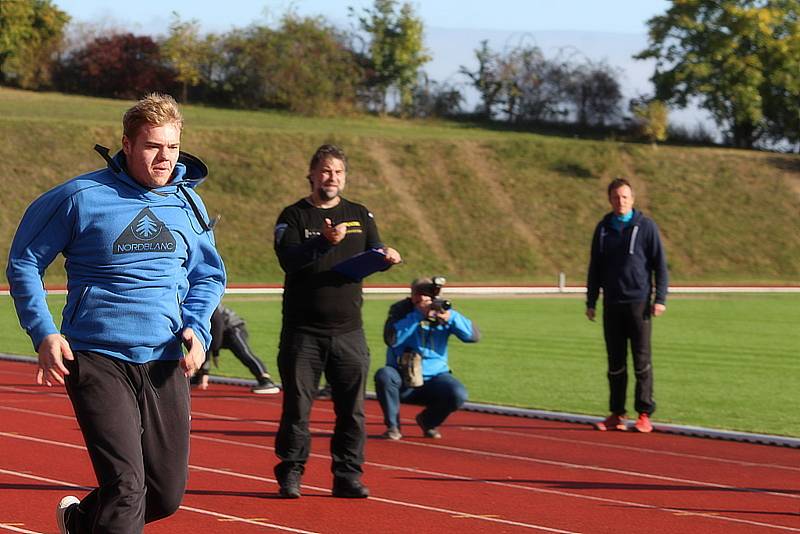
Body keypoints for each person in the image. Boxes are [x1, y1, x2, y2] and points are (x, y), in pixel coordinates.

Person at [5, 93, 226, 533]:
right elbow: (25, 261)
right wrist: (44, 332)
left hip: (164, 360)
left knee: (163, 494)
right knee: (127, 488)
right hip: (96, 357)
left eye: (172, 147)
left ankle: (80, 521)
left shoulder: (188, 205)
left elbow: (208, 275)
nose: (164, 158)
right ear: (126, 144)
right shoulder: (79, 197)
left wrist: (197, 329)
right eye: (152, 146)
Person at [272, 144, 402, 499]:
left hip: (349, 331)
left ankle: (347, 475)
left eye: (339, 172)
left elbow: (374, 250)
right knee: (298, 408)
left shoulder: (360, 213)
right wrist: (324, 244)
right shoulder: (295, 216)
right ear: (312, 174)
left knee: (353, 411)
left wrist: (386, 257)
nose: (332, 178)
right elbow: (289, 260)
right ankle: (291, 473)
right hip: (303, 333)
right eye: (326, 171)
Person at [586, 177, 668, 434]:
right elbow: (595, 268)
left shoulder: (645, 227)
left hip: (639, 303)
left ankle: (644, 413)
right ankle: (616, 413)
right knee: (615, 362)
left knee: (642, 361)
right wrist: (591, 301)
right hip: (612, 303)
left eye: (624, 197)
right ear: (609, 199)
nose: (620, 201)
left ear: (632, 199)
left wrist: (660, 299)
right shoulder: (603, 229)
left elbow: (660, 265)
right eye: (615, 197)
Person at [375, 277, 479, 441]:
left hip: (434, 379)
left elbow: (473, 336)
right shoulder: (401, 310)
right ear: (415, 296)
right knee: (384, 375)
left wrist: (450, 318)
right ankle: (393, 427)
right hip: (403, 378)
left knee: (457, 392)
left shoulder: (443, 310)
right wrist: (418, 315)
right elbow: (392, 339)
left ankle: (428, 421)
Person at [192, 303, 280, 394]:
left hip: (233, 328)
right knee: (201, 346)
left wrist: (215, 351)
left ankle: (265, 379)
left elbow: (217, 325)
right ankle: (199, 376)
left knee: (243, 353)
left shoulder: (206, 302)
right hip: (217, 331)